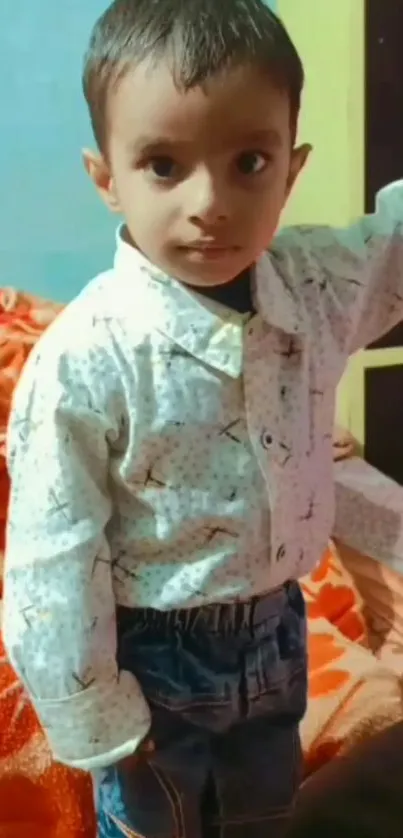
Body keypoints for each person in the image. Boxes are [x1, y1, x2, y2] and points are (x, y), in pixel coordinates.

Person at [2, 1, 403, 836]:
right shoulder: (85, 358)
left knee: (266, 811)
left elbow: (390, 243)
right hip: (153, 658)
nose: (209, 202)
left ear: (289, 172)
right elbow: (52, 553)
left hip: (276, 632)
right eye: (162, 164)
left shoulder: (313, 283)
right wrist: (97, 715)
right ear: (105, 176)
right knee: (157, 826)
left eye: (248, 161)